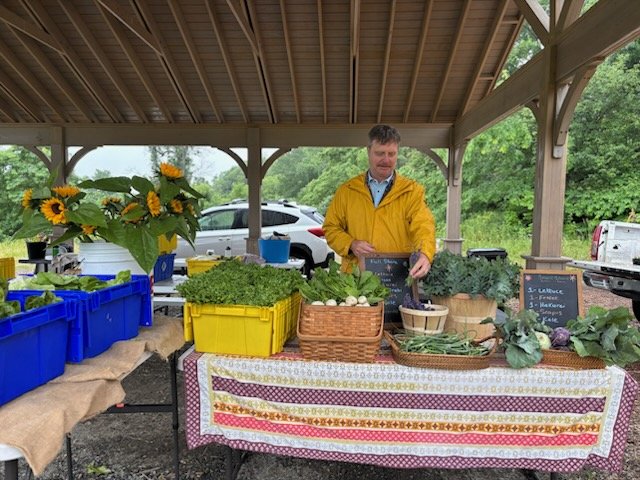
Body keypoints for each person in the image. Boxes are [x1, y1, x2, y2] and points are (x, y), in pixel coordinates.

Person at [323, 124, 436, 279]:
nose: (386, 160)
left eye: (391, 154)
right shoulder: (347, 191)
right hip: (354, 281)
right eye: (380, 153)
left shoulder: (412, 191)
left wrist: (425, 253)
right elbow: (330, 228)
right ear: (368, 151)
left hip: (397, 279)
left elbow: (424, 226)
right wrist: (351, 244)